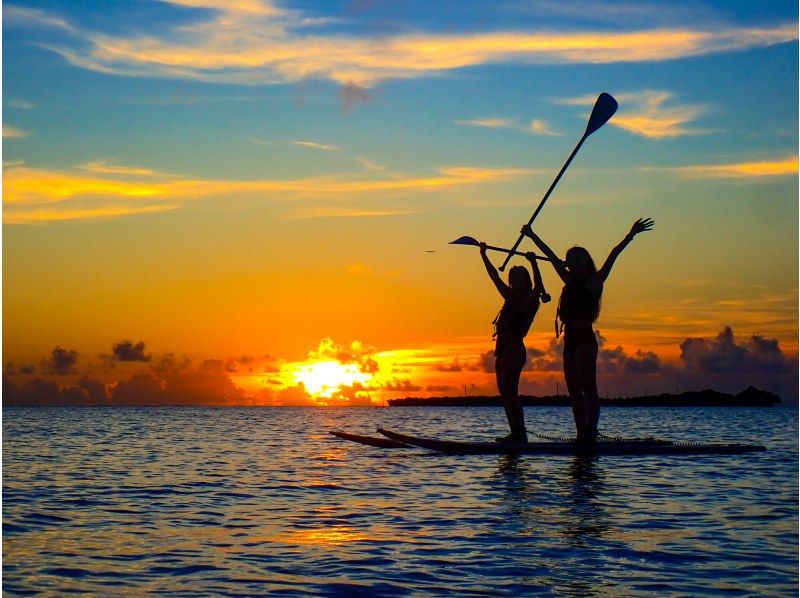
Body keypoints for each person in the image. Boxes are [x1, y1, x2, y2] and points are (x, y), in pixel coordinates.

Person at [521, 218, 654, 442]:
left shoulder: (596, 280)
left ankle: (591, 431)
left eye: (577, 258)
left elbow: (614, 254)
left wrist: (630, 235)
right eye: (571, 259)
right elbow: (552, 256)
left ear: (585, 261)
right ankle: (581, 433)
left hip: (584, 338)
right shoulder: (567, 279)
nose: (572, 261)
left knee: (588, 387)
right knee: (573, 389)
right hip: (569, 339)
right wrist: (532, 235)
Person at [480, 243, 548, 443]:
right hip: (501, 350)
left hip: (514, 349)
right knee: (505, 393)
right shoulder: (509, 296)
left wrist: (534, 263)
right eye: (513, 278)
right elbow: (494, 276)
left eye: (520, 277)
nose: (516, 280)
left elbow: (539, 287)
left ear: (526, 279)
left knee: (511, 392)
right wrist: (483, 255)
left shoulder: (530, 298)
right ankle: (516, 433)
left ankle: (520, 434)